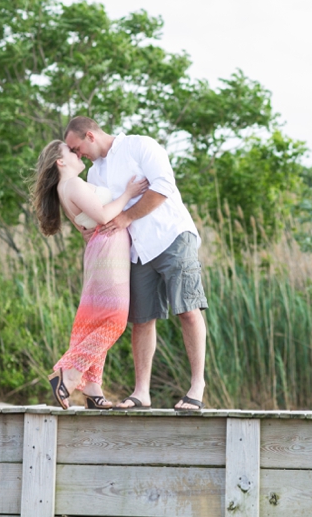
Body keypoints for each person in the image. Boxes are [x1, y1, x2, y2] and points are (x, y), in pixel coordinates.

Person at [64, 116, 208, 412]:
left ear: (90, 135)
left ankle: (197, 388)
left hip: (171, 236)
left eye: (77, 148)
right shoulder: (94, 176)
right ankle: (141, 392)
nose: (78, 156)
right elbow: (100, 215)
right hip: (136, 251)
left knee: (188, 310)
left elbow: (164, 187)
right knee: (141, 320)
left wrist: (126, 217)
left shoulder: (140, 145)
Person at [31, 139, 148, 409]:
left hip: (102, 249)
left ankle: (93, 389)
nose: (76, 153)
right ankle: (68, 373)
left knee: (94, 321)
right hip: (108, 251)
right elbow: (105, 215)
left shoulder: (66, 187)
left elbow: (88, 224)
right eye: (70, 152)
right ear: (61, 162)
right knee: (115, 319)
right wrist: (128, 194)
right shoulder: (71, 183)